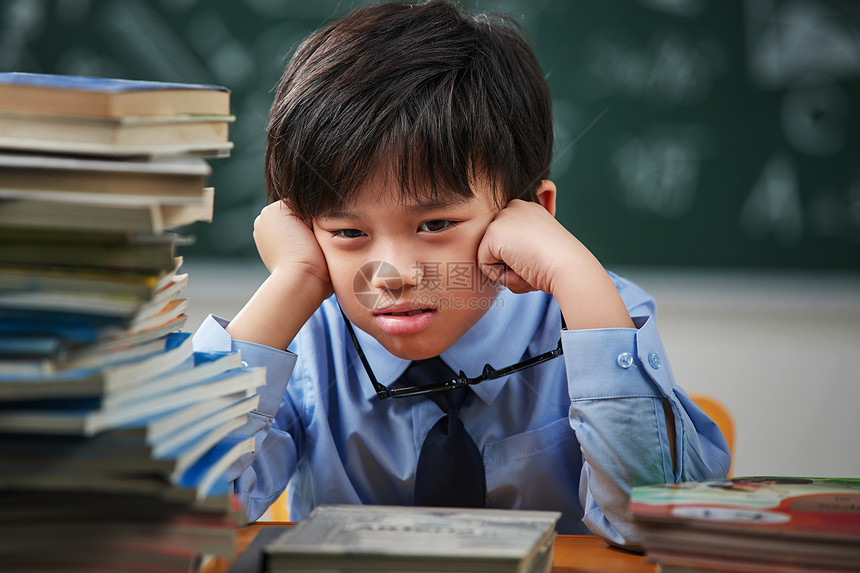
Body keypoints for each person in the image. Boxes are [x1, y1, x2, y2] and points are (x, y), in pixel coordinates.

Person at [193, 0, 731, 548]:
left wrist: (574, 272)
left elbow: (657, 527)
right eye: (348, 233)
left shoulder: (597, 313)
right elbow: (180, 509)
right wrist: (294, 280)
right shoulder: (309, 337)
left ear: (528, 215)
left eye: (436, 223)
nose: (393, 275)